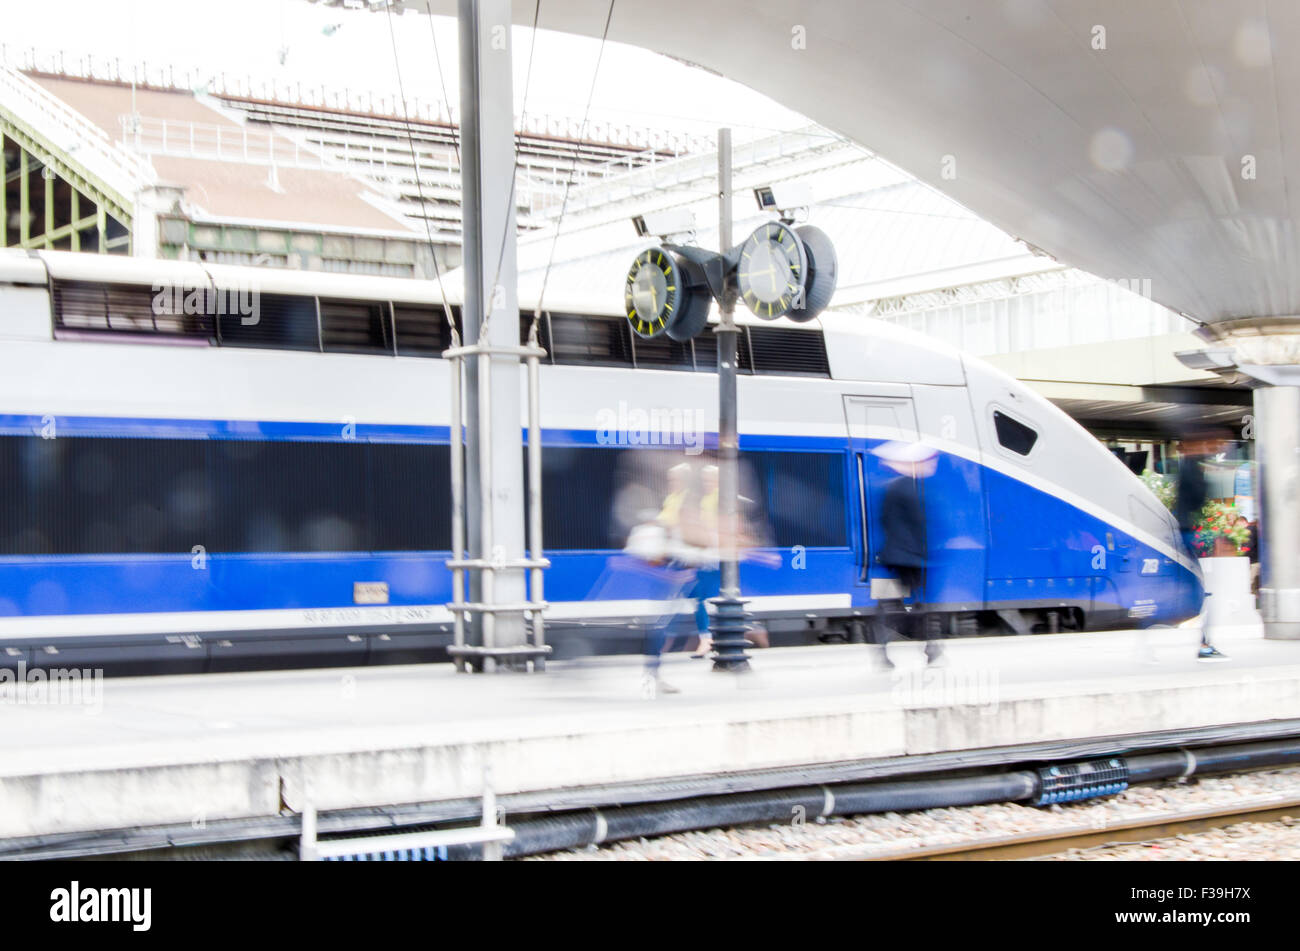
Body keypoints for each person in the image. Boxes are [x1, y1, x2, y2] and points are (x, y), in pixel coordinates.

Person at [870, 442, 943, 669]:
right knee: (924, 606)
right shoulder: (912, 488)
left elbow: (883, 521)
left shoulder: (890, 487)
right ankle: (931, 650)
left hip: (891, 557)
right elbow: (921, 524)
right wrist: (928, 553)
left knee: (889, 606)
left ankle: (882, 652)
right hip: (912, 559)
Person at [1174, 435, 1230, 662]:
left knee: (1202, 593)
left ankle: (1205, 641)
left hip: (1188, 533)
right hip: (1189, 534)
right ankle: (1205, 644)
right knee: (1206, 594)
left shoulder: (1189, 468)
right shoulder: (1191, 469)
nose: (1214, 448)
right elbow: (1195, 501)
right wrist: (1219, 539)